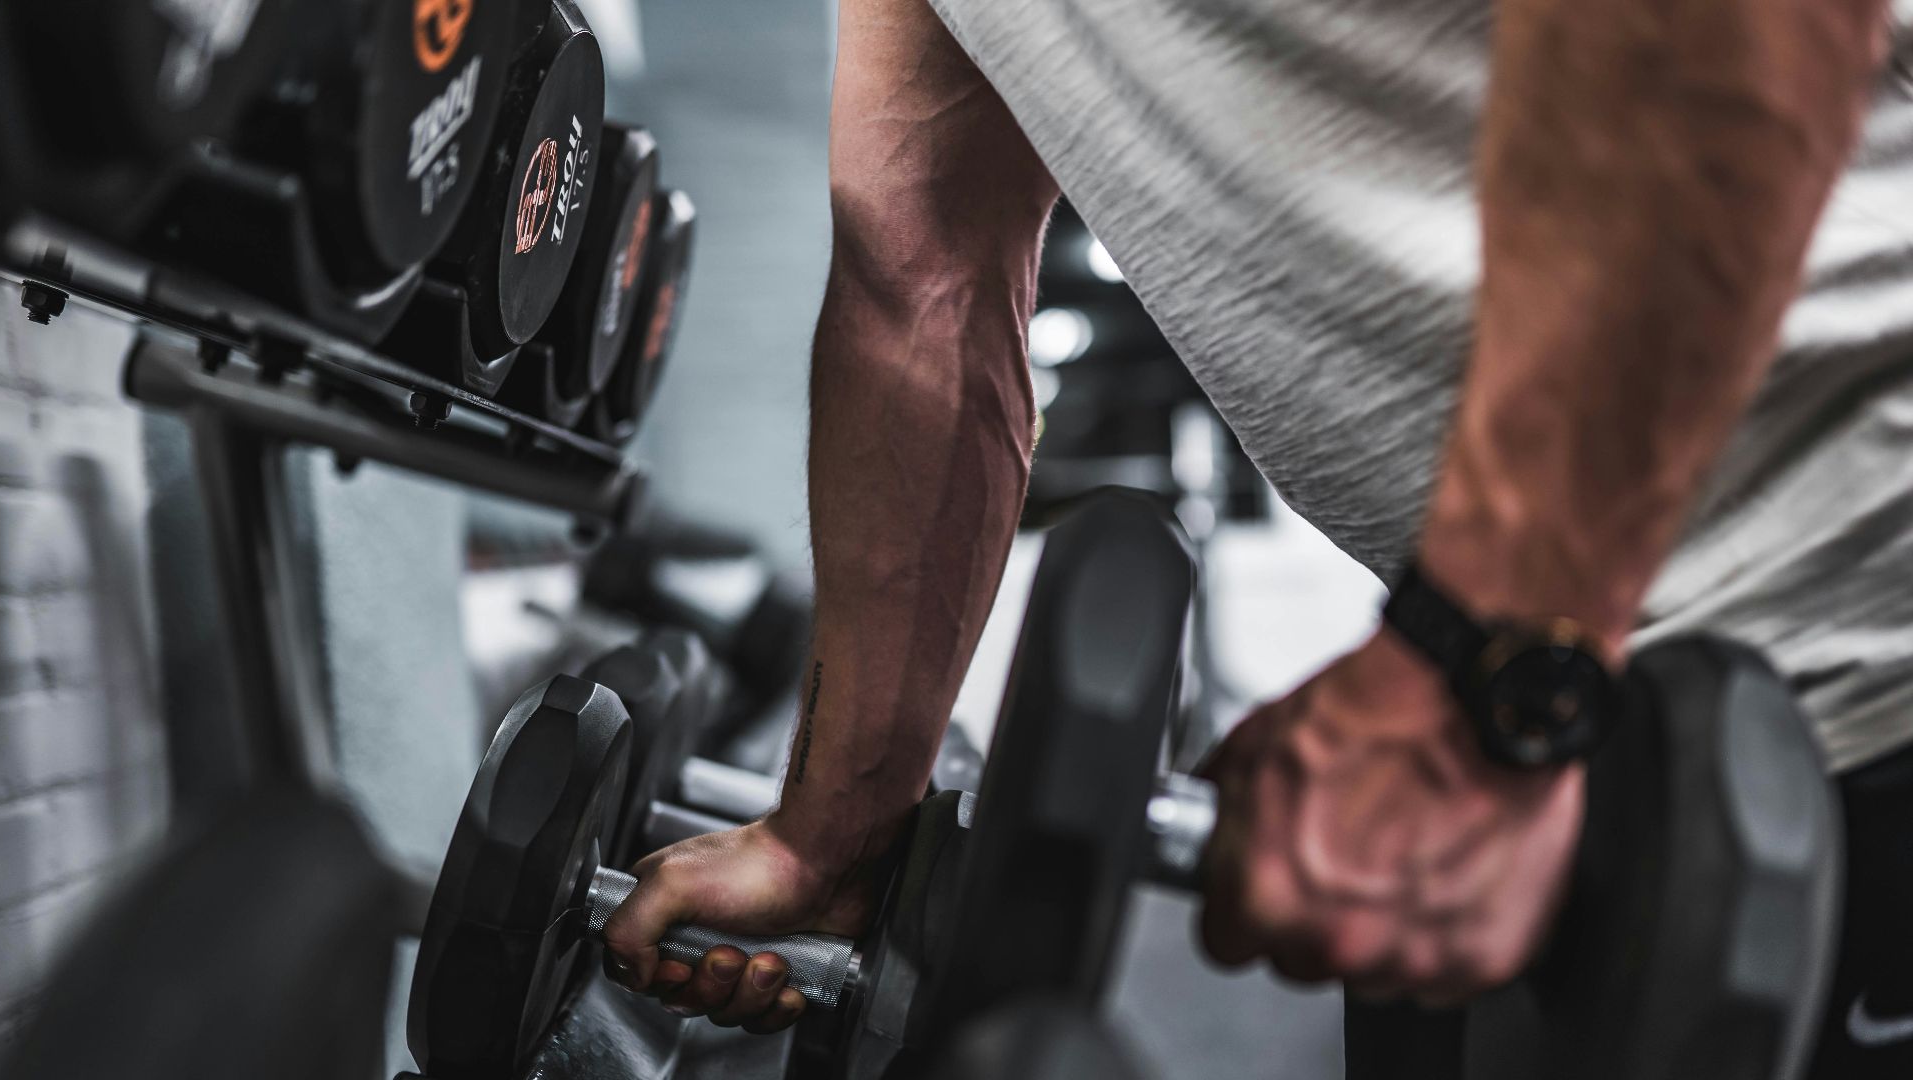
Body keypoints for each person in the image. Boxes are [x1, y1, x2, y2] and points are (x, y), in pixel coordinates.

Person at [603, 0, 1913, 1072]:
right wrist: (835, 830)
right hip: (1583, 717)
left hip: (1856, 619)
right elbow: (920, 283)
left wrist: (1490, 678)